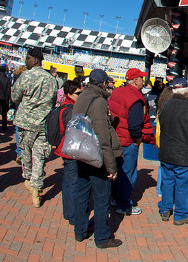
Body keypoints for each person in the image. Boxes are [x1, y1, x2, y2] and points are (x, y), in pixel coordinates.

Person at [72, 69, 123, 249]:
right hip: (95, 155)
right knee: (102, 198)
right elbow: (103, 137)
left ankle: (80, 230)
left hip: (81, 152)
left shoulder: (82, 97)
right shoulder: (99, 101)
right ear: (102, 84)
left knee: (82, 194)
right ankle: (102, 237)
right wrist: (111, 166)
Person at [11, 47, 57, 208]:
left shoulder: (26, 75)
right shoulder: (51, 79)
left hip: (26, 123)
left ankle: (29, 180)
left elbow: (15, 97)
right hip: (43, 124)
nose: (26, 60)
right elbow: (53, 102)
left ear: (36, 60)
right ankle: (36, 189)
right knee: (39, 157)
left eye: (28, 58)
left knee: (26, 154)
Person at [157, 77, 188, 226]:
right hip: (183, 153)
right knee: (182, 185)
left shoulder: (165, 106)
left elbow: (162, 127)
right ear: (187, 92)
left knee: (167, 182)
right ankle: (180, 214)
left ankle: (165, 209)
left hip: (167, 152)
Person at [109, 67, 156, 216]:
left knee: (117, 171)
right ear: (135, 80)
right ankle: (124, 205)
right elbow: (135, 125)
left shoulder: (117, 91)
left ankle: (115, 198)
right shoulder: (135, 97)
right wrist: (137, 141)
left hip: (116, 138)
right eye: (141, 78)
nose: (143, 81)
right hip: (128, 141)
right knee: (127, 175)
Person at [53, 78, 83, 228]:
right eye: (78, 93)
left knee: (68, 182)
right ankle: (72, 215)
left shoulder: (68, 105)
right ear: (70, 93)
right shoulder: (70, 109)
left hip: (67, 150)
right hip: (70, 151)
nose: (80, 95)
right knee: (72, 183)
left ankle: (68, 212)